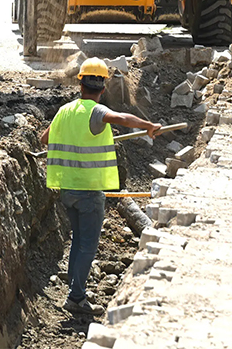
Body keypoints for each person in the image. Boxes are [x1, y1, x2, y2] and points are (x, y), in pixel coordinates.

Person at [38, 57, 160, 317]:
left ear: (79, 84)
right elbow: (121, 118)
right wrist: (148, 126)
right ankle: (76, 297)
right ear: (103, 88)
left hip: (67, 191)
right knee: (87, 245)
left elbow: (44, 138)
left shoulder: (64, 111)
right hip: (89, 193)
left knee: (78, 241)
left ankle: (75, 291)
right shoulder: (96, 112)